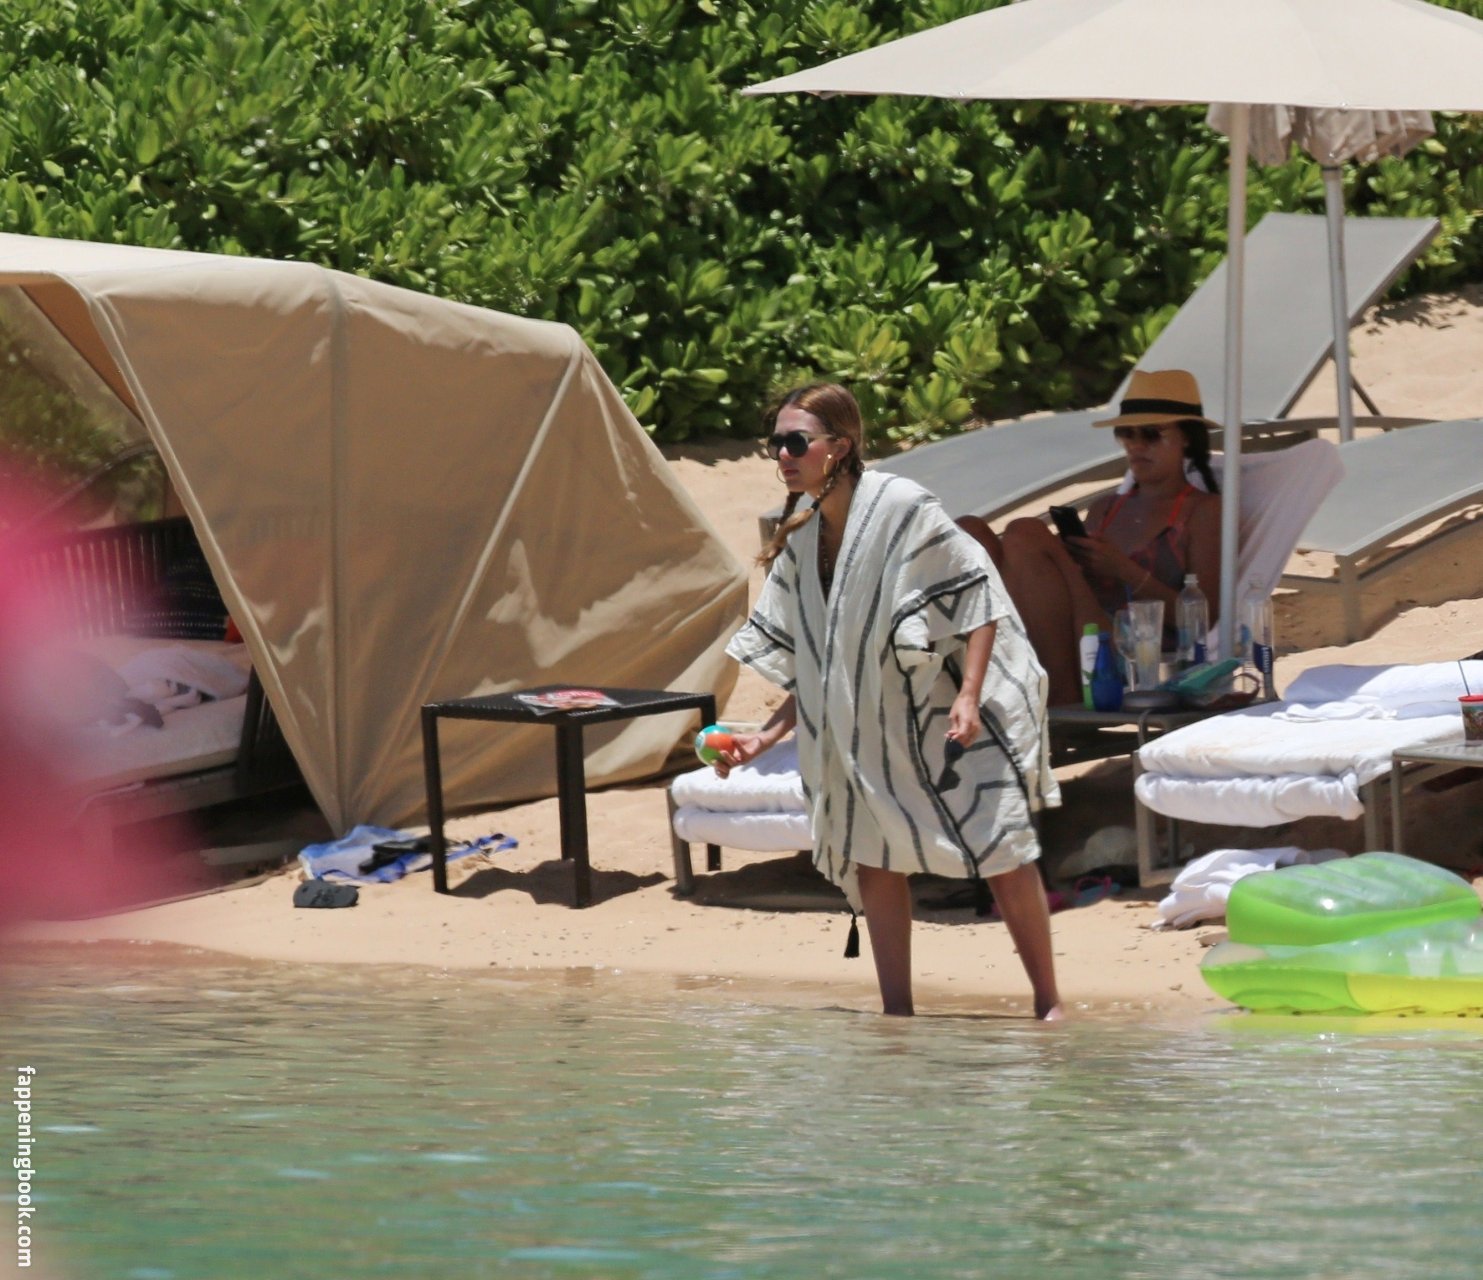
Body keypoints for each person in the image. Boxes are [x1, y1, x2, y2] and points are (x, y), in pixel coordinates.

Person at [718, 383, 1063, 1019]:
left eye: (796, 442)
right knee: (873, 855)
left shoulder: (900, 506)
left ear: (840, 445)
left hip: (947, 704)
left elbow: (978, 593)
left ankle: (1049, 1004)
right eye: (776, 444)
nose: (783, 455)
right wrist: (763, 738)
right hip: (868, 722)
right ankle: (897, 1015)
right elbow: (818, 664)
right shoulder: (804, 541)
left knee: (1001, 846)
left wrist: (968, 696)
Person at [958, 369, 1224, 706]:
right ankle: (964, 684)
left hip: (1135, 652)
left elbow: (1203, 619)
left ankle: (1060, 696)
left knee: (1025, 533)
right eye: (1126, 433)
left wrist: (1124, 570)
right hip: (1078, 629)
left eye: (1151, 434)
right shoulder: (1106, 508)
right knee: (970, 531)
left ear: (1187, 437)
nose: (1136, 445)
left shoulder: (1203, 511)